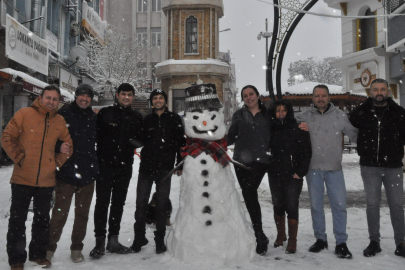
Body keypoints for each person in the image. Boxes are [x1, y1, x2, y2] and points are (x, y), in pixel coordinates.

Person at [1, 85, 73, 270]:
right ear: (40, 98)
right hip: (22, 178)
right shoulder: (25, 114)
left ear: (59, 101)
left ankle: (38, 255)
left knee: (42, 220)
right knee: (17, 220)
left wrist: (55, 163)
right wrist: (20, 158)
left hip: (46, 180)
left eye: (55, 99)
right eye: (48, 97)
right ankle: (16, 259)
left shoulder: (59, 121)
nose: (51, 101)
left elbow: (68, 146)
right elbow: (7, 137)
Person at [295, 84, 358, 259]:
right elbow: (287, 131)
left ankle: (341, 242)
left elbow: (355, 135)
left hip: (334, 169)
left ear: (329, 97)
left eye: (323, 95)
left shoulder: (340, 115)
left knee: (339, 206)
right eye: (317, 96)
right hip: (313, 168)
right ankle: (321, 239)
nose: (320, 98)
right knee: (316, 206)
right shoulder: (303, 117)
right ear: (312, 98)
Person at [349, 78, 405, 258]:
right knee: (372, 205)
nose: (379, 92)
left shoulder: (399, 113)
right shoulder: (360, 113)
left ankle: (401, 242)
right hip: (369, 167)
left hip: (393, 167)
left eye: (382, 89)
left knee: (396, 205)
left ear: (388, 92)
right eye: (375, 90)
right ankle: (374, 242)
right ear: (370, 92)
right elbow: (349, 129)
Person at [46, 84, 99, 263]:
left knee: (82, 215)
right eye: (81, 95)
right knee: (60, 213)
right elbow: (50, 140)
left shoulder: (93, 117)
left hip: (87, 175)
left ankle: (77, 248)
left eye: (87, 96)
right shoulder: (64, 114)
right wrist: (57, 149)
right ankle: (49, 248)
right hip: (66, 174)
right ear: (76, 96)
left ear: (91, 99)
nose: (84, 99)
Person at [90, 83, 143, 258]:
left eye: (129, 94)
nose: (126, 97)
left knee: (118, 204)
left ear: (133, 97)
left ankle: (113, 240)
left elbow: (142, 140)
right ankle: (99, 242)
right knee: (102, 203)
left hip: (124, 167)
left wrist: (131, 143)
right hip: (104, 166)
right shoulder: (105, 113)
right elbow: (94, 136)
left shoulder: (137, 117)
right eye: (123, 94)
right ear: (117, 95)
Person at [131, 88, 185, 254]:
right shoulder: (146, 120)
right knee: (141, 204)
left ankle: (159, 240)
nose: (158, 101)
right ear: (152, 101)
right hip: (146, 168)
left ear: (165, 101)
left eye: (161, 98)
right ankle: (139, 237)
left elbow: (180, 142)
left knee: (161, 206)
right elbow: (139, 140)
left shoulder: (174, 119)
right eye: (155, 98)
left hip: (165, 169)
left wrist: (179, 164)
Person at [226, 85, 271, 255]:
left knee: (250, 190)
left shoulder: (268, 115)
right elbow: (231, 136)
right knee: (248, 194)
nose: (248, 97)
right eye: (245, 95)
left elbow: (279, 131)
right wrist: (214, 143)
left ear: (258, 96)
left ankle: (259, 235)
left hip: (261, 160)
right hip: (240, 162)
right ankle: (260, 234)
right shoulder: (238, 115)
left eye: (251, 94)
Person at [268, 99, 312, 254]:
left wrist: (300, 172)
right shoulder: (270, 128)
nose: (281, 114)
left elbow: (306, 152)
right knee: (277, 204)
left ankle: (293, 240)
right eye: (278, 110)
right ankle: (281, 234)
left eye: (284, 110)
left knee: (292, 205)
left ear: (289, 111)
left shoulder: (298, 128)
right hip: (274, 173)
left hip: (293, 174)